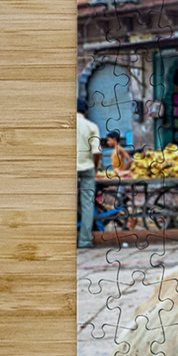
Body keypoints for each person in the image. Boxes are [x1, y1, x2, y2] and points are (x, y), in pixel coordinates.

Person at [76, 98, 102, 248]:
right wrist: (95, 167)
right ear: (85, 111)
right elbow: (97, 152)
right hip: (87, 168)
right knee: (87, 204)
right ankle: (85, 240)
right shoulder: (92, 126)